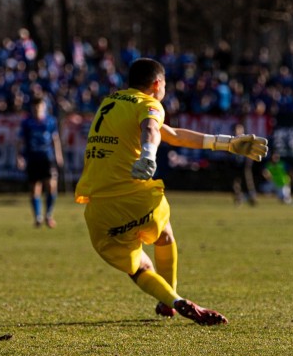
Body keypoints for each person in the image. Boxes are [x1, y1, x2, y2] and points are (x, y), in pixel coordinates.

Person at [74, 58, 268, 326]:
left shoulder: (110, 102)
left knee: (138, 267)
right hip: (136, 196)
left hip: (99, 207)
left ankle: (173, 301)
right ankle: (171, 300)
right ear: (157, 84)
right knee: (164, 234)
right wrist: (148, 154)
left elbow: (173, 134)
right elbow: (152, 128)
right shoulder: (149, 104)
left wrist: (227, 143)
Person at [17, 96, 64, 228]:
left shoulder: (50, 121)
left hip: (47, 158)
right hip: (32, 158)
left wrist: (58, 155)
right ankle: (38, 216)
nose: (37, 108)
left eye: (40, 106)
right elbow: (20, 140)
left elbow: (55, 139)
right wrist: (19, 156)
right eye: (35, 106)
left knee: (51, 185)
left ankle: (49, 215)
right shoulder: (27, 122)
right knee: (35, 188)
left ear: (44, 107)